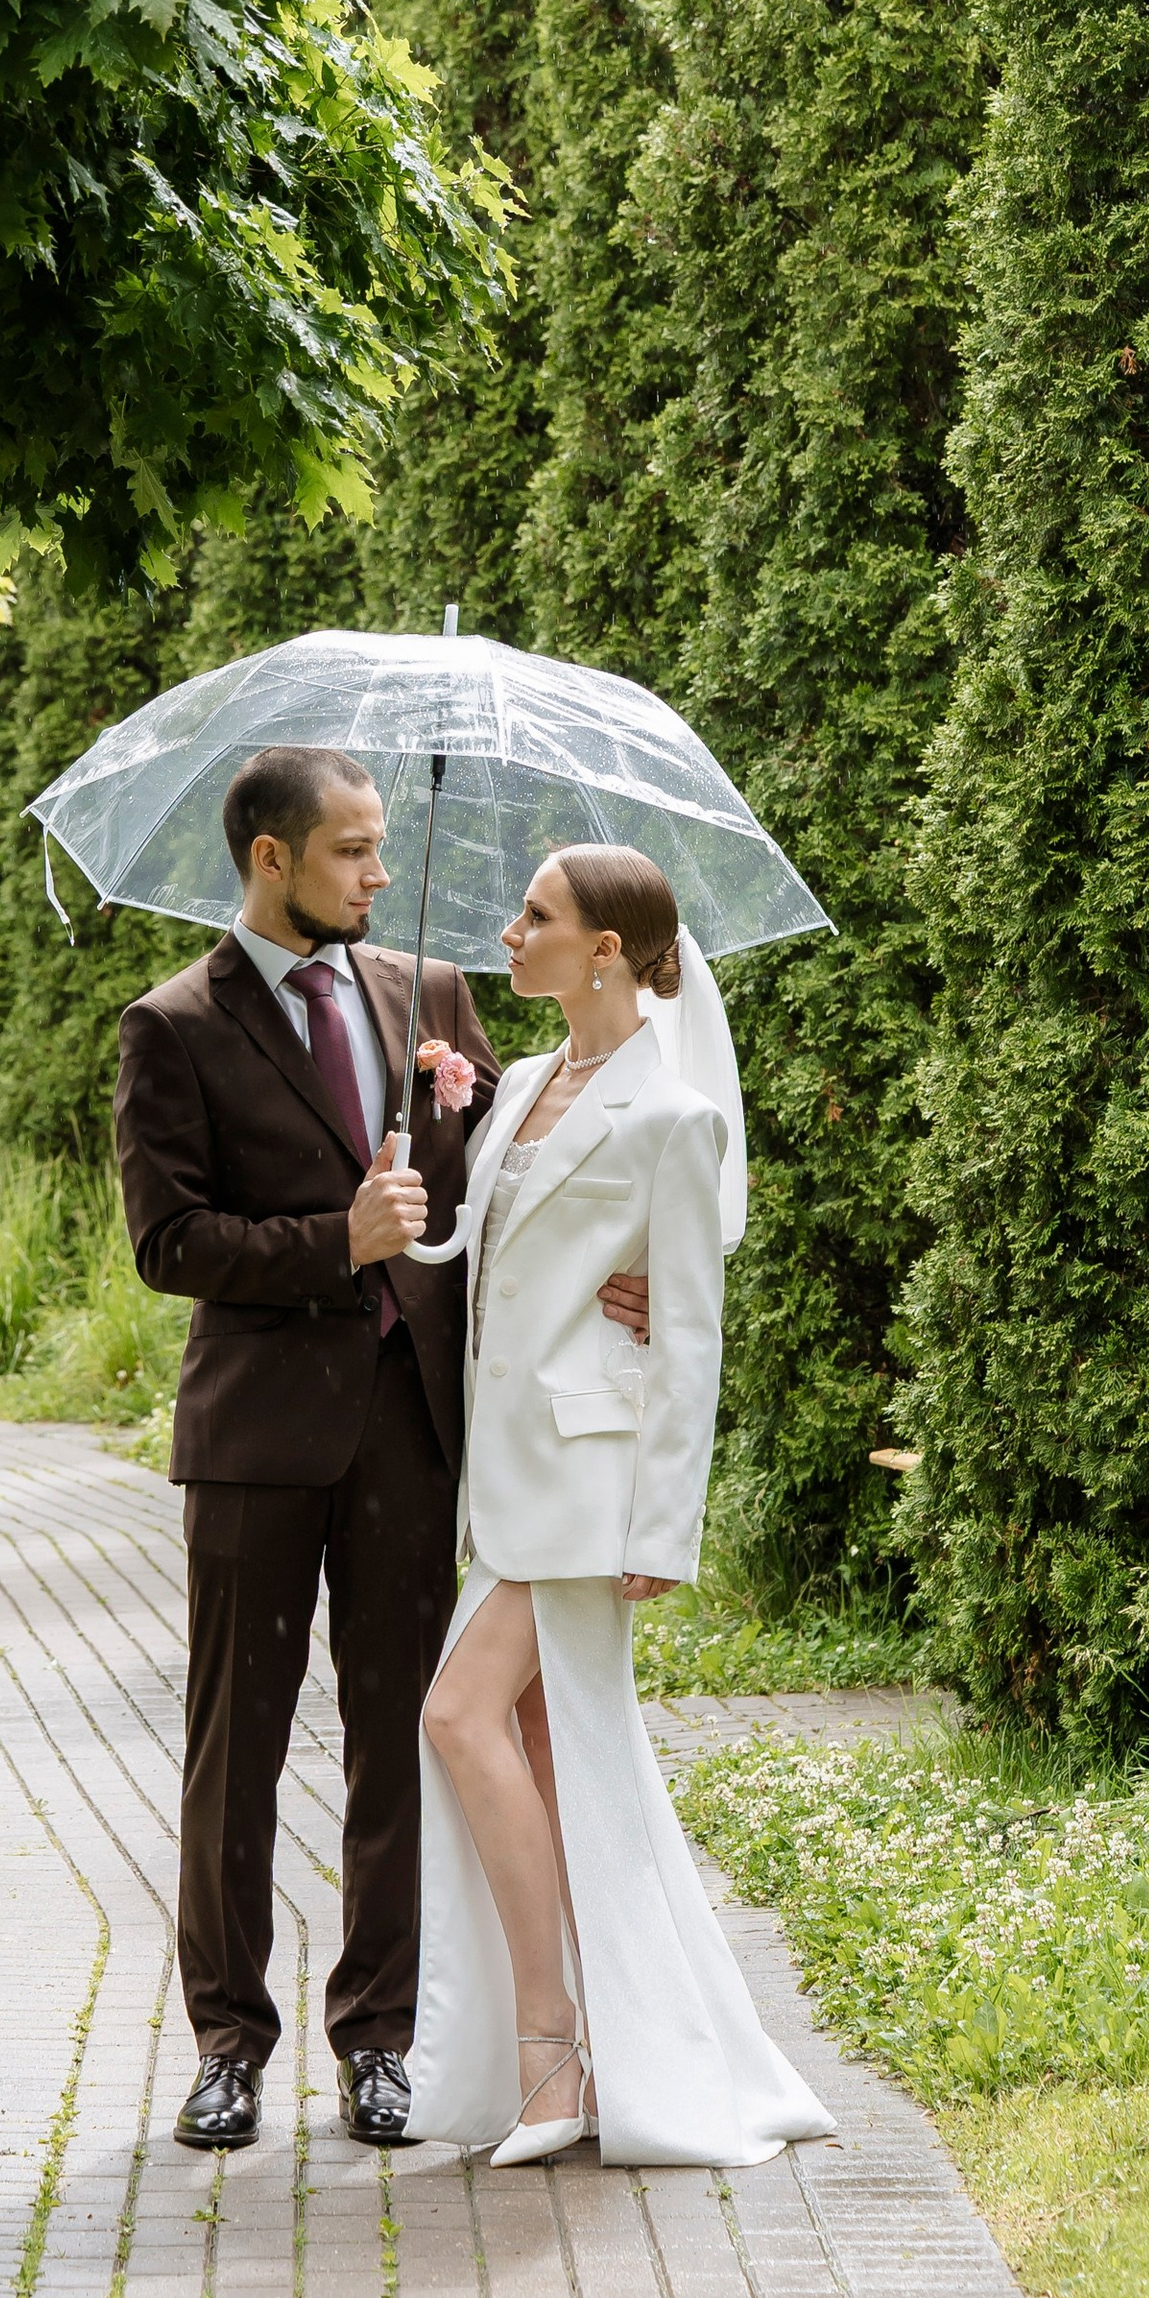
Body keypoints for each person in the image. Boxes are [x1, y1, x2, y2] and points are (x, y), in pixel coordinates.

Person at [114, 747, 649, 2156]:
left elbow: (491, 1203)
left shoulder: (433, 999)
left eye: (376, 846)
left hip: (412, 1431)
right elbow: (167, 1243)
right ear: (271, 861)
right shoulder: (172, 1025)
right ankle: (228, 2044)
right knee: (233, 1745)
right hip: (254, 1441)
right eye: (351, 852)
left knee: (395, 1741)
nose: (377, 872)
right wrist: (325, 1245)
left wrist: (608, 1273)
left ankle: (381, 2041)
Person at [407, 844, 833, 2168]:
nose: (509, 930)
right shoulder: (529, 1080)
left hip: (592, 1484)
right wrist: (413, 1154)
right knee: (547, 1753)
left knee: (455, 1714)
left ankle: (554, 2056)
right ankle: (625, 2043)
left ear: (605, 951)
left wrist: (666, 1531)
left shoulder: (672, 1118)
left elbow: (686, 1337)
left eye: (535, 915)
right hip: (511, 1476)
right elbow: (483, 1261)